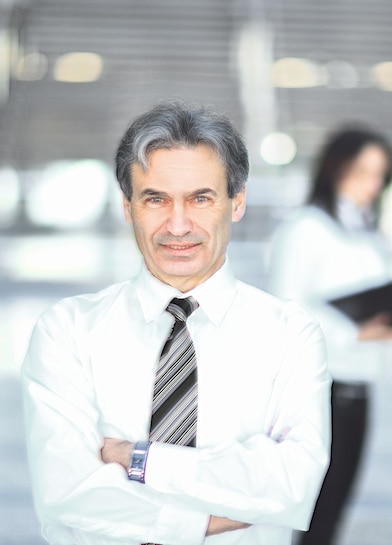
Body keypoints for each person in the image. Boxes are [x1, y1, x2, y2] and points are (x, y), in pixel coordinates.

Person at [20, 100, 331, 545]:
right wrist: (201, 524)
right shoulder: (67, 331)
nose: (178, 225)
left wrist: (139, 460)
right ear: (128, 207)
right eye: (156, 199)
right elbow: (67, 494)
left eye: (200, 198)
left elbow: (292, 485)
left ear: (236, 202)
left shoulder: (291, 335)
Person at [268, 126, 392, 545]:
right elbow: (288, 312)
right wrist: (354, 333)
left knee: (334, 511)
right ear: (336, 167)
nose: (372, 184)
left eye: (379, 175)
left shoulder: (366, 233)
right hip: (321, 391)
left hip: (359, 387)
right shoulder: (304, 229)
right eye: (363, 171)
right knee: (313, 514)